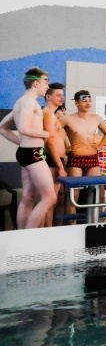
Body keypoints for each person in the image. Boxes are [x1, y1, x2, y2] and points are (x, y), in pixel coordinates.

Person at [0, 68, 57, 229]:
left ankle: (21, 235)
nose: (48, 85)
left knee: (28, 196)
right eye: (46, 81)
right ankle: (28, 236)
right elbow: (24, 128)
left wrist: (21, 143)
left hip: (27, 152)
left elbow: (2, 127)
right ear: (36, 83)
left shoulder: (21, 101)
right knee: (50, 197)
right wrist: (44, 133)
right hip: (33, 154)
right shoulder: (29, 102)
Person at [59, 90, 106, 215]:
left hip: (92, 158)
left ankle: (91, 222)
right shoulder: (67, 119)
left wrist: (99, 147)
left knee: (94, 192)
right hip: (76, 158)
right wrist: (65, 148)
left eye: (89, 100)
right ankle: (72, 224)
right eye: (84, 101)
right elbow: (53, 133)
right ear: (76, 103)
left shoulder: (96, 118)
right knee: (74, 193)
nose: (88, 103)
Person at [42, 82, 68, 226]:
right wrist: (60, 166)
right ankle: (46, 233)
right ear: (48, 96)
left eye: (62, 95)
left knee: (52, 200)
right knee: (49, 200)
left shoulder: (52, 115)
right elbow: (50, 142)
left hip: (57, 160)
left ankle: (50, 231)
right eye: (58, 95)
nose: (61, 98)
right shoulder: (47, 114)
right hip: (52, 160)